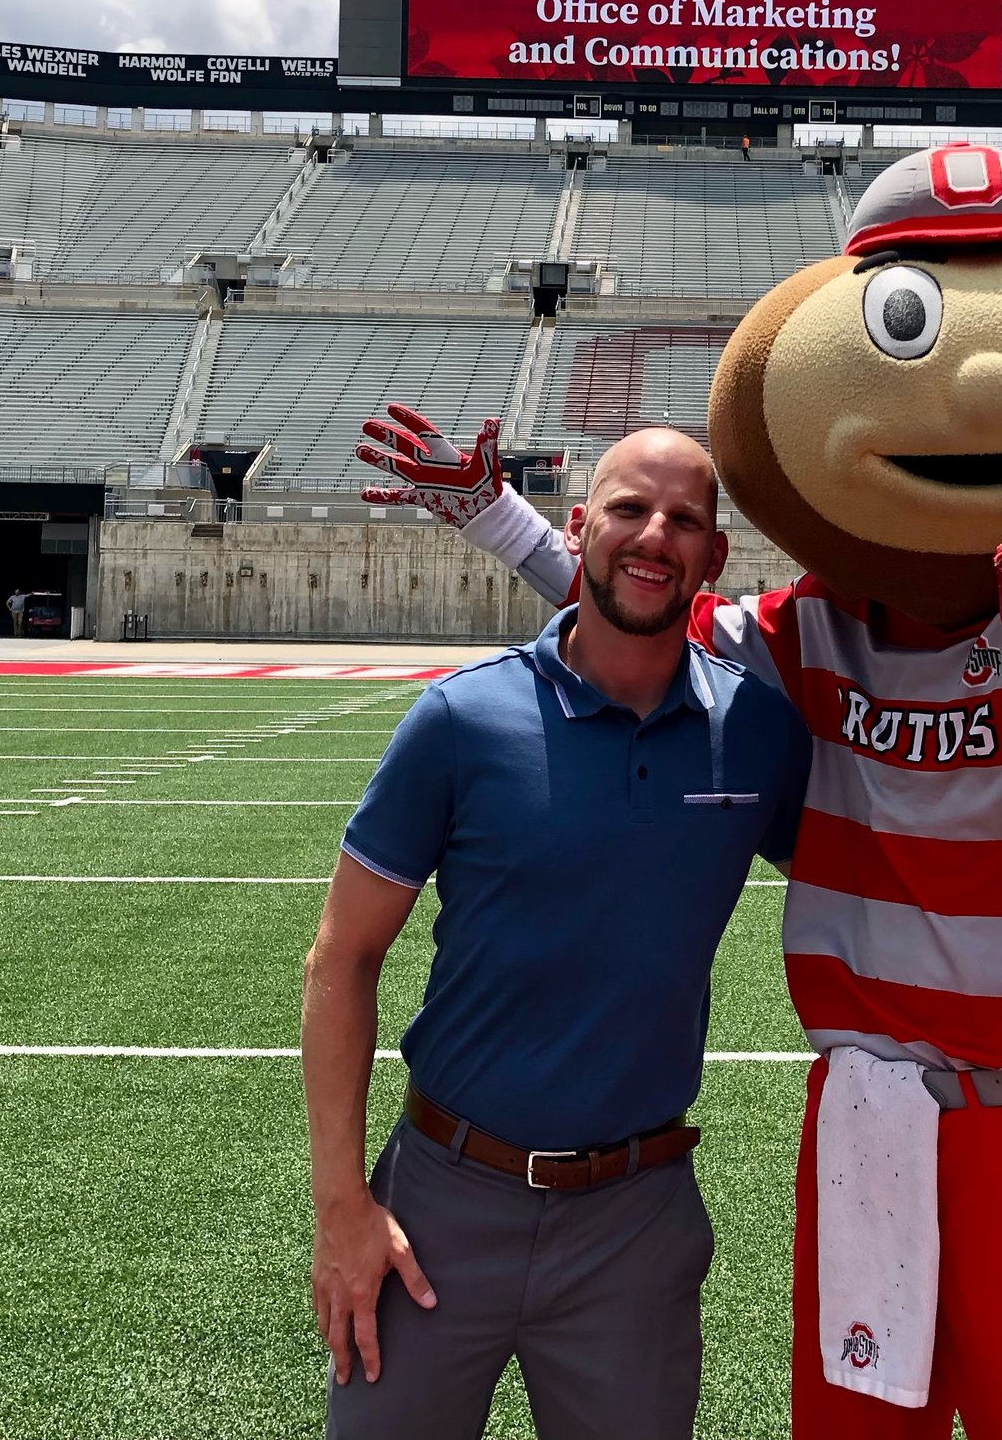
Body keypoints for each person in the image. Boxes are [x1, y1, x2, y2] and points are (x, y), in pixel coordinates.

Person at [363, 143, 1002, 1437]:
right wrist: (500, 518)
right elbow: (647, 612)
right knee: (859, 1423)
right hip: (868, 1104)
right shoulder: (807, 631)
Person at [303, 428, 811, 1440]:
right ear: (579, 528)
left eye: (684, 521)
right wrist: (341, 1208)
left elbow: (886, 864)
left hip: (635, 1219)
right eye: (627, 509)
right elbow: (340, 960)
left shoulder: (758, 734)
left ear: (714, 561)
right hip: (441, 1202)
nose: (653, 536)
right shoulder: (459, 720)